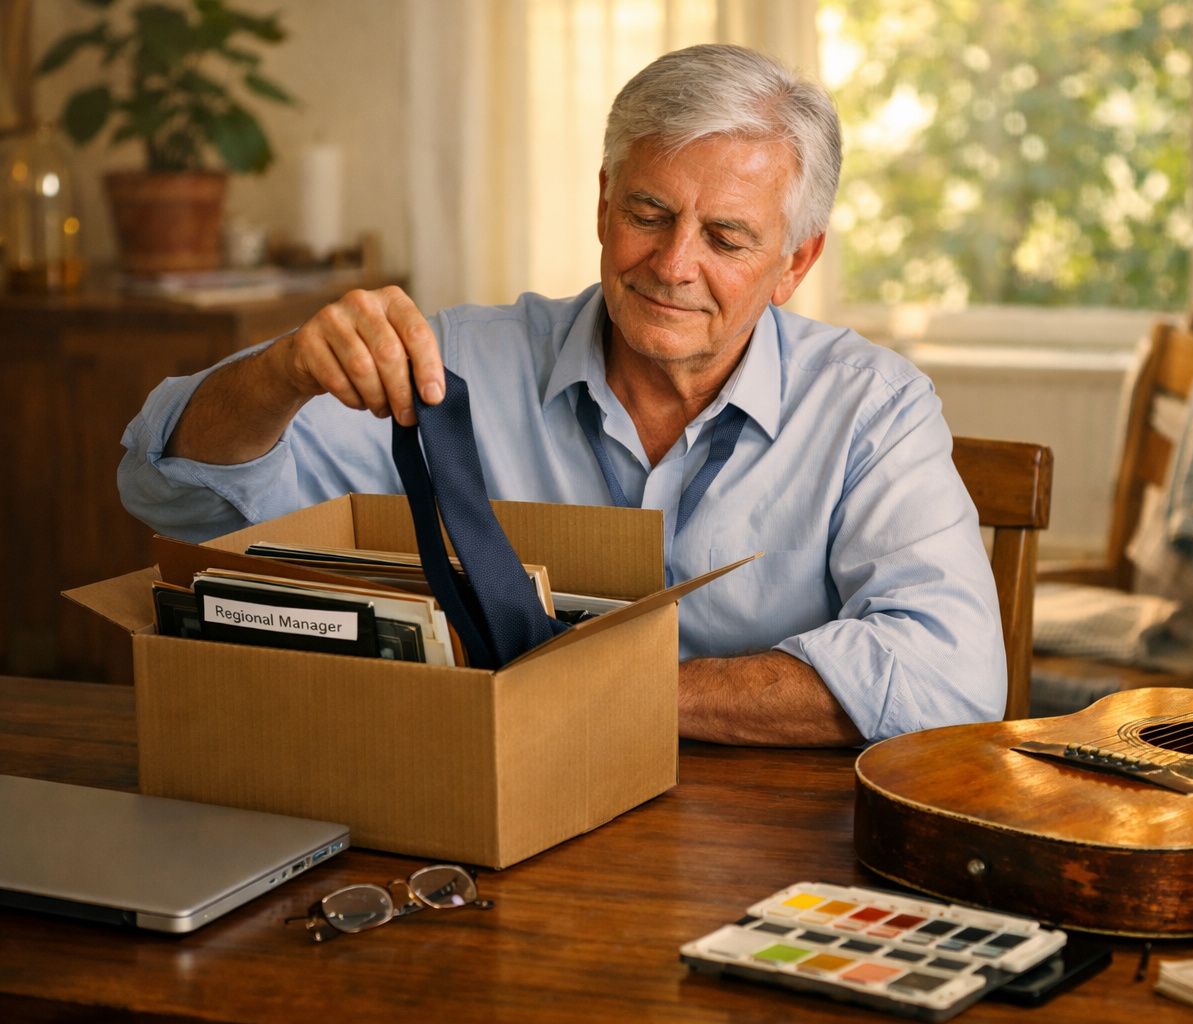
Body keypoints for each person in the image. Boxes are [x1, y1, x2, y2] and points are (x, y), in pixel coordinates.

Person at [119, 44, 1005, 746]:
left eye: (727, 237)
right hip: (486, 813)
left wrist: (583, 689)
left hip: (764, 854)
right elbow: (174, 498)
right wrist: (279, 377)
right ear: (602, 204)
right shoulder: (453, 363)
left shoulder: (874, 410)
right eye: (649, 214)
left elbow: (949, 675)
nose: (672, 265)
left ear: (796, 264)